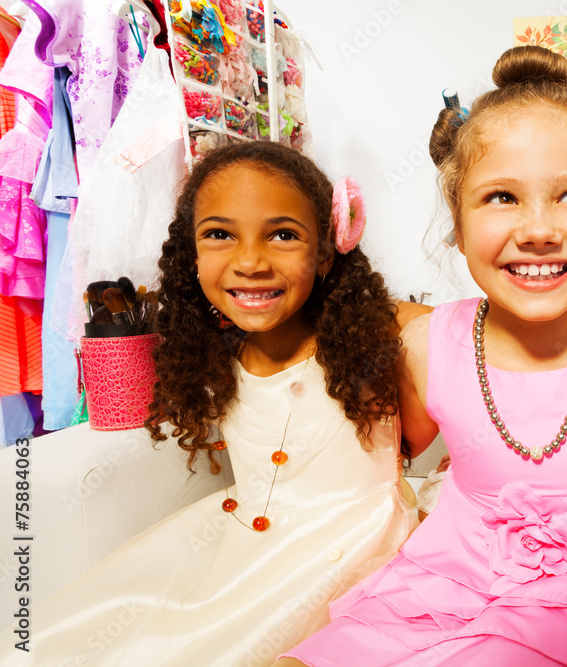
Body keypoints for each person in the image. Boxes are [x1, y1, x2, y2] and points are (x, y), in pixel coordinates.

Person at [277, 46, 567, 666]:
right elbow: (403, 447)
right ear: (458, 218)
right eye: (502, 198)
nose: (538, 229)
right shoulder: (425, 344)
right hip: (442, 576)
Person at [1, 141, 419, 666]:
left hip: (361, 547)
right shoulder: (215, 353)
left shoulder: (380, 333)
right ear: (191, 254)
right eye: (220, 235)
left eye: (283, 235)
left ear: (326, 249)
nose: (249, 262)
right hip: (245, 547)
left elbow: (463, 360)